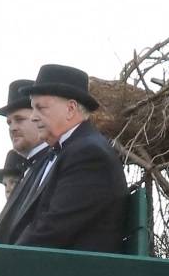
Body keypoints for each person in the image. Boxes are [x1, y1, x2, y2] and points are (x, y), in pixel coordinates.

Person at [10, 64, 127, 253]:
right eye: (32, 109)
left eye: (40, 108)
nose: (33, 117)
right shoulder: (74, 148)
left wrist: (3, 260)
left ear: (71, 109)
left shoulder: (89, 155)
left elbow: (51, 230)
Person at [0, 79, 52, 243]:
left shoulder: (54, 163)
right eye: (9, 122)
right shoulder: (32, 169)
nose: (12, 127)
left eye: (19, 119)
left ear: (39, 118)